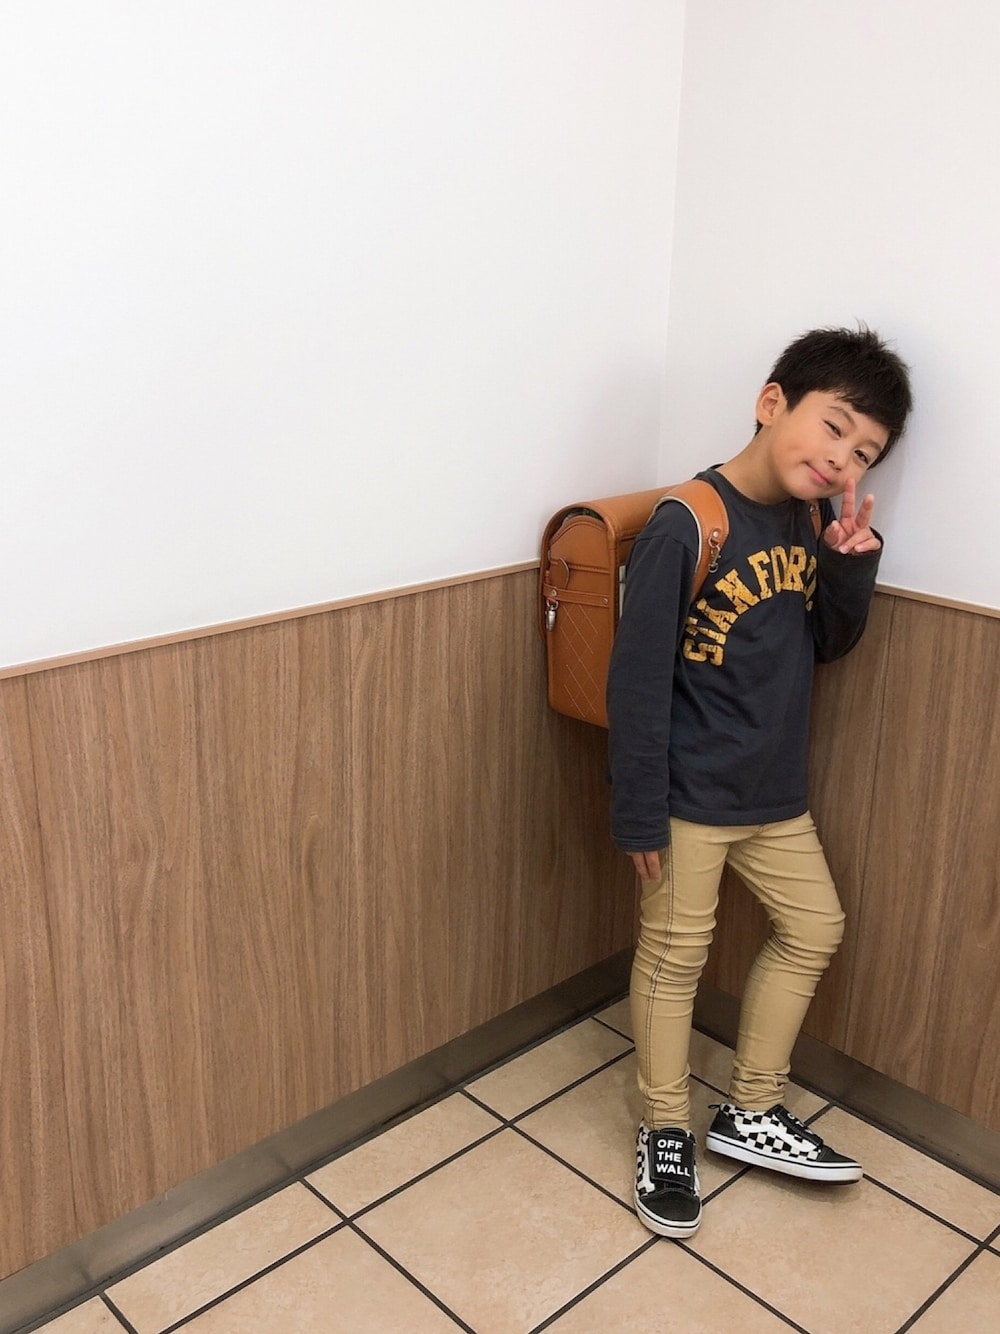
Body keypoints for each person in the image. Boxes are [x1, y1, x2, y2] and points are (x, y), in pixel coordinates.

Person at [607, 325, 912, 1238]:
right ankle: (664, 1126)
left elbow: (827, 644)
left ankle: (752, 1108)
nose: (842, 458)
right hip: (687, 797)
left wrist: (848, 565)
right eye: (835, 426)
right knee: (675, 959)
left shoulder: (808, 524)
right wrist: (639, 814)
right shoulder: (687, 522)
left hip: (775, 793)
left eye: (865, 452)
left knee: (815, 926)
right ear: (772, 402)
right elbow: (636, 683)